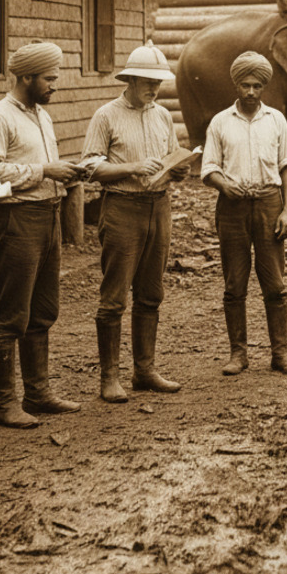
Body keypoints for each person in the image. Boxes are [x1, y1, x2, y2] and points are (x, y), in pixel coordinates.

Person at [0, 41, 82, 429]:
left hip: (47, 216)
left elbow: (40, 166)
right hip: (16, 219)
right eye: (49, 78)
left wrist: (63, 170)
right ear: (26, 77)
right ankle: (6, 404)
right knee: (11, 315)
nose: (55, 85)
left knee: (43, 310)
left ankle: (37, 393)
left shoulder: (41, 115)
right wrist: (43, 172)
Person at [81, 44, 186, 401]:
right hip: (122, 207)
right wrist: (131, 168)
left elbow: (170, 155)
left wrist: (179, 167)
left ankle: (145, 370)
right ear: (130, 79)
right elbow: (91, 167)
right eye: (148, 81)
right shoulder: (106, 116)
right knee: (114, 297)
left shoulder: (162, 115)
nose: (154, 89)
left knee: (151, 292)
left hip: (159, 207)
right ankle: (109, 378)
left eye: (159, 83)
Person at [201, 51, 287, 376]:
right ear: (236, 85)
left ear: (264, 87)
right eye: (245, 85)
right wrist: (224, 186)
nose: (250, 92)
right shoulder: (220, 122)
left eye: (257, 86)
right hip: (231, 207)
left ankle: (281, 354)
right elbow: (209, 168)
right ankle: (238, 354)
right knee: (234, 283)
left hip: (269, 202)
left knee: (275, 282)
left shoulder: (275, 120)